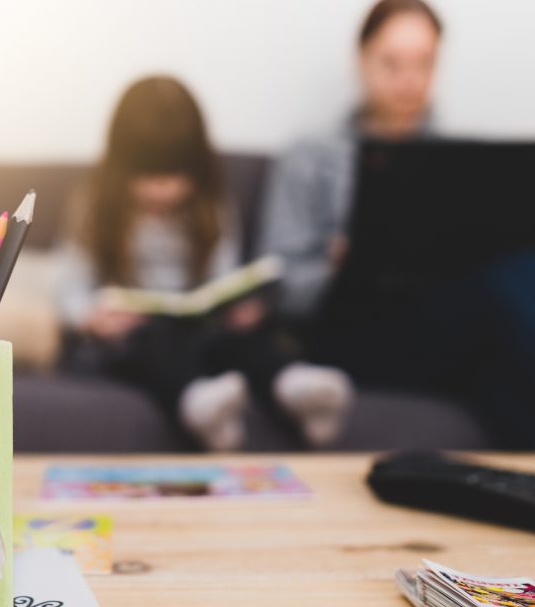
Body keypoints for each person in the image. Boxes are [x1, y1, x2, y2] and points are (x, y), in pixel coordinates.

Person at [260, 0, 535, 448]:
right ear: (361, 61)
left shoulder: (461, 164)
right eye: (392, 64)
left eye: (424, 64)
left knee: (509, 363)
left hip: (448, 328)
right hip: (349, 335)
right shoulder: (310, 156)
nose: (409, 81)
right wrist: (339, 264)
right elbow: (276, 284)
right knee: (519, 279)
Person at [55, 76, 352, 451]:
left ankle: (294, 385)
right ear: (121, 166)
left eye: (175, 174)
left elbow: (221, 279)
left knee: (237, 341)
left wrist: (235, 305)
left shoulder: (211, 208)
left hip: (198, 330)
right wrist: (90, 316)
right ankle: (198, 401)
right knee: (154, 342)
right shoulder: (93, 206)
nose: (163, 189)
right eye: (149, 175)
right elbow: (68, 287)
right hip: (129, 338)